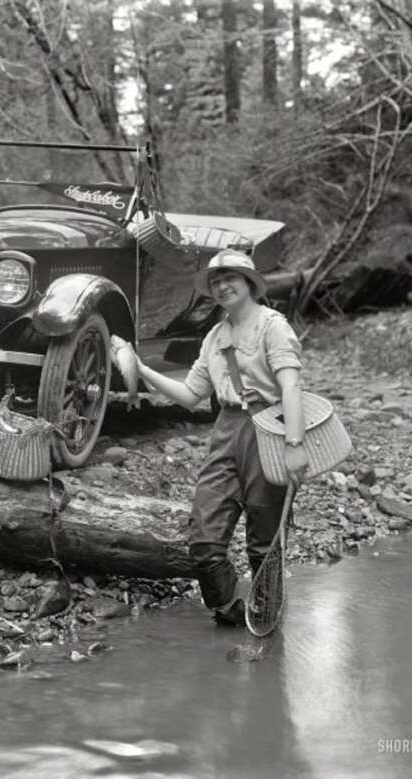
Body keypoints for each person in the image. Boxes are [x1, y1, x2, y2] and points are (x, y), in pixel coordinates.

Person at [131, 250, 308, 625]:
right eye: (216, 280)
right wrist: (144, 370)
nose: (223, 285)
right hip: (226, 429)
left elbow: (291, 386)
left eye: (231, 278)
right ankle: (228, 610)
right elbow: (191, 393)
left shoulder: (273, 326)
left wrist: (294, 446)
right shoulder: (214, 336)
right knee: (204, 540)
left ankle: (265, 618)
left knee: (264, 543)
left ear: (249, 283)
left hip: (271, 428)